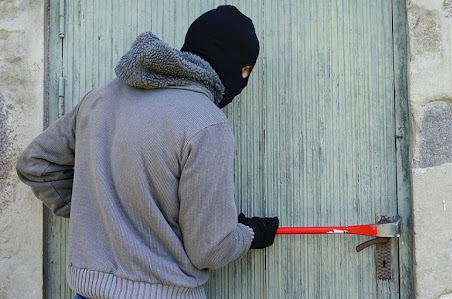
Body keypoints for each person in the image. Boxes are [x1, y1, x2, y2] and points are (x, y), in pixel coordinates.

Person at [16, 5, 278, 298]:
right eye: (245, 70)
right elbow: (211, 249)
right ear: (229, 62)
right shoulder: (206, 123)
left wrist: (100, 211)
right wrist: (251, 233)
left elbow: (36, 164)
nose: (243, 80)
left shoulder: (101, 98)